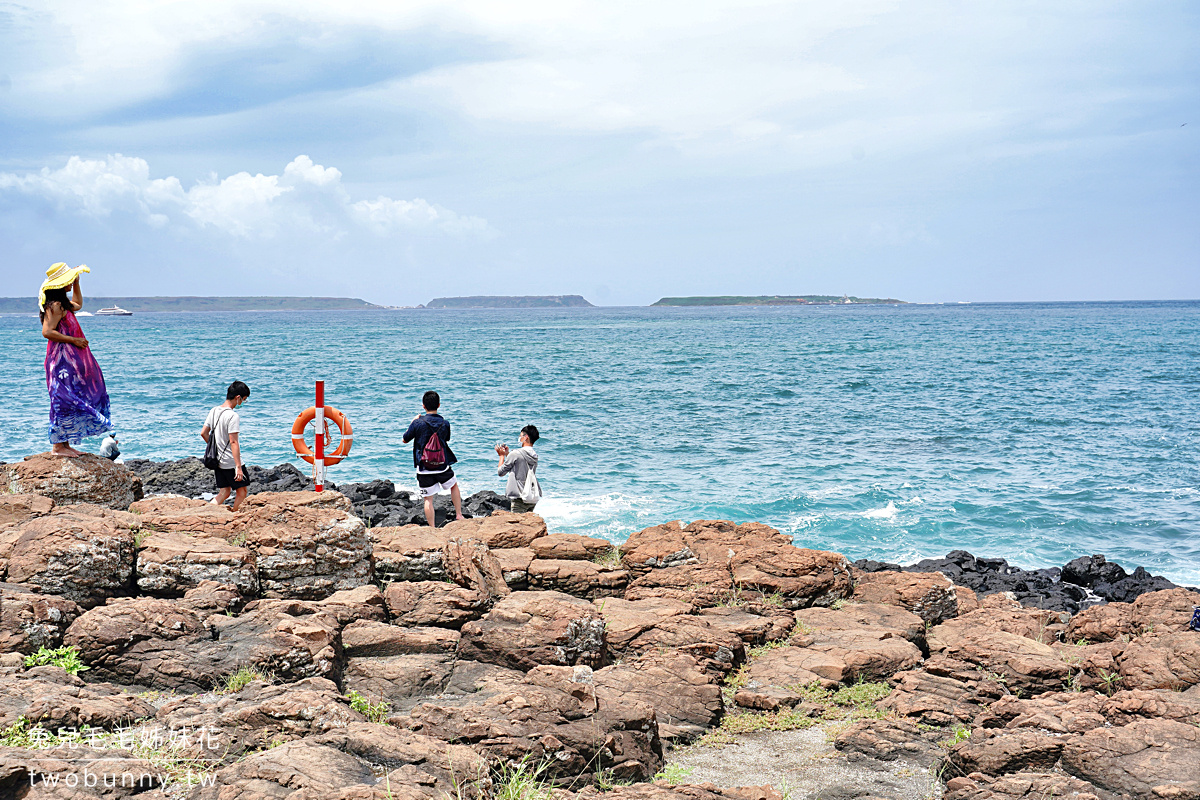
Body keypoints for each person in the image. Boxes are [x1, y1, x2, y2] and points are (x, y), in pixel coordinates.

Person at [39, 263, 113, 457]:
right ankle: (58, 447)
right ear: (59, 283)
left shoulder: (63, 304)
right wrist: (74, 340)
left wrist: (77, 283)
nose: (71, 282)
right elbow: (47, 331)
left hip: (69, 361)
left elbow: (78, 304)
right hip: (60, 361)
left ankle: (65, 444)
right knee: (62, 399)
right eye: (69, 280)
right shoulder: (54, 306)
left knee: (70, 396)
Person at [402, 391, 464, 527]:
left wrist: (413, 421)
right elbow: (446, 439)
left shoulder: (417, 423)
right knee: (453, 486)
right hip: (442, 465)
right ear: (439, 405)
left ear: (423, 406)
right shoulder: (445, 423)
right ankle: (459, 515)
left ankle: (432, 528)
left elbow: (405, 439)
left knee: (428, 499)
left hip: (424, 467)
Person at [200, 381, 251, 511]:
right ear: (238, 397)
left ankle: (208, 511)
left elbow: (204, 433)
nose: (242, 403)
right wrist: (238, 467)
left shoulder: (214, 410)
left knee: (225, 491)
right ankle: (235, 517)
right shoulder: (233, 416)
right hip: (230, 462)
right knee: (242, 492)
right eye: (244, 400)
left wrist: (217, 448)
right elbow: (234, 442)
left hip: (218, 460)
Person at [496, 424, 540, 513]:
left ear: (526, 437)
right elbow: (520, 465)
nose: (519, 438)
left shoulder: (515, 453)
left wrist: (501, 456)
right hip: (530, 496)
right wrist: (508, 454)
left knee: (517, 525)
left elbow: (501, 472)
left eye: (521, 435)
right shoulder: (534, 455)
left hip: (519, 498)